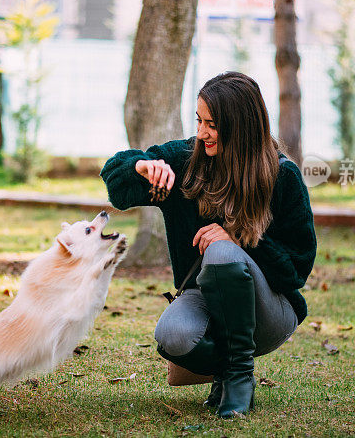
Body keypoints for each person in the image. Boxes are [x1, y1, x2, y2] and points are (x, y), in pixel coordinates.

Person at [100, 71, 316, 418]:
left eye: (212, 124)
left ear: (241, 125)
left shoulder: (282, 176)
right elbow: (117, 187)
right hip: (202, 297)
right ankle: (227, 370)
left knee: (220, 250)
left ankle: (239, 376)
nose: (202, 132)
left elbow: (296, 270)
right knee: (172, 336)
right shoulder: (185, 162)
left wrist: (243, 241)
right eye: (199, 121)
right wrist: (140, 166)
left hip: (269, 309)